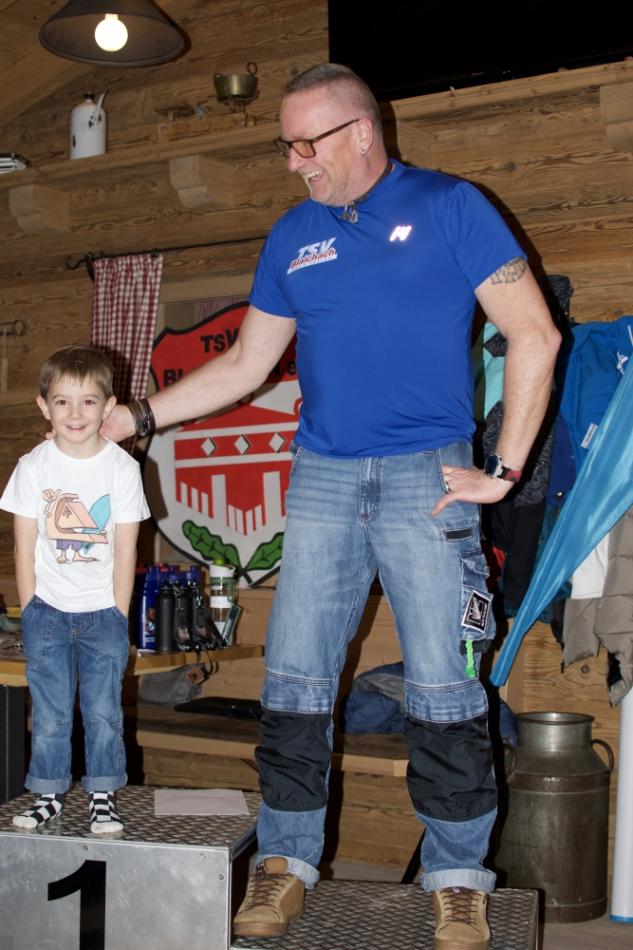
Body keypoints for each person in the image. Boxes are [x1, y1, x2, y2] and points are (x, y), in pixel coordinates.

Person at [104, 64, 560, 948]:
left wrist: (502, 471)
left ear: (360, 131)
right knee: (294, 682)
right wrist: (140, 416)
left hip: (429, 473)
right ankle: (284, 863)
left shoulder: (450, 205)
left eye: (305, 144)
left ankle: (457, 878)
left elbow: (534, 333)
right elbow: (246, 366)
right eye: (285, 146)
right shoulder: (292, 235)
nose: (293, 162)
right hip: (320, 476)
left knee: (445, 684)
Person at [0, 344, 149, 833]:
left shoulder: (122, 469)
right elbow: (23, 546)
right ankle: (48, 795)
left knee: (103, 711)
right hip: (47, 611)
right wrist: (31, 608)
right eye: (62, 401)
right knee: (50, 713)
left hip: (102, 613)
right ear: (44, 407)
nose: (75, 413)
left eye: (88, 401)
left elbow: (126, 548)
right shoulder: (33, 466)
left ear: (108, 407)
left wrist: (117, 613)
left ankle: (102, 796)